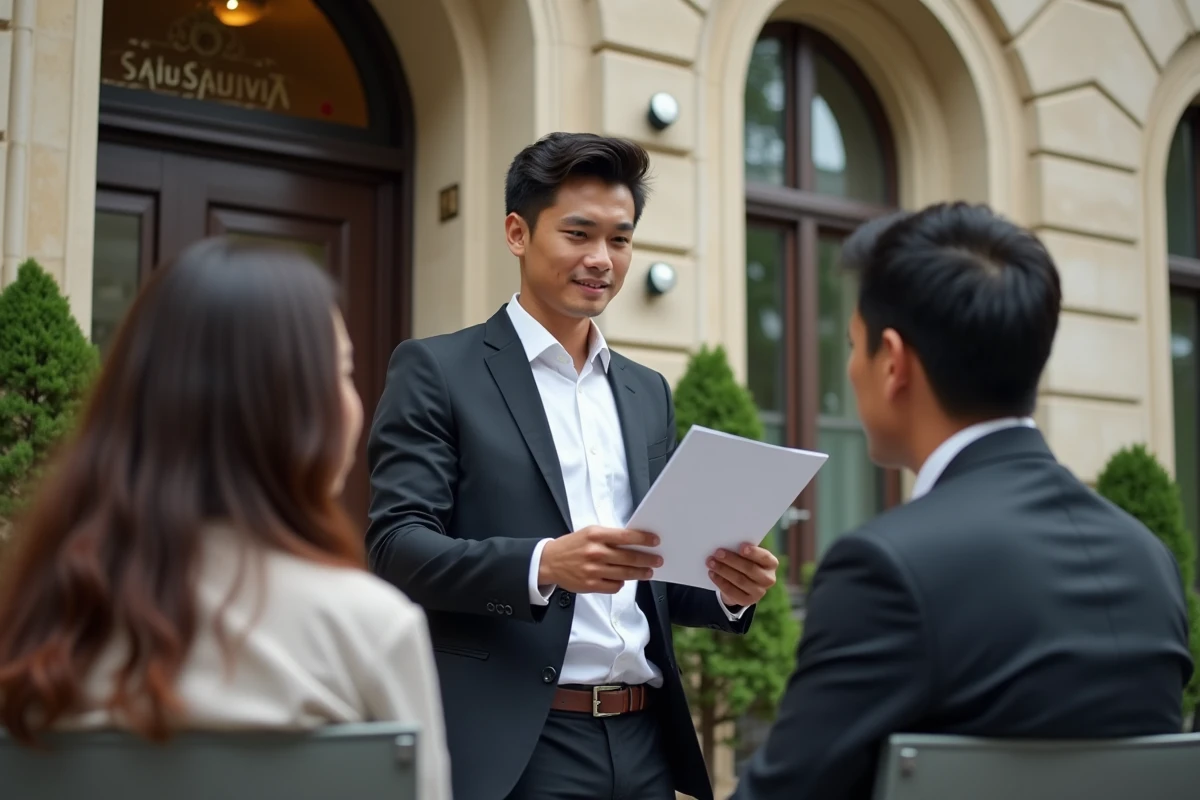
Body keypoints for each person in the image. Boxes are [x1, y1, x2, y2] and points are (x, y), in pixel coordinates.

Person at [730, 202, 1195, 800]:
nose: (849, 368)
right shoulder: (1150, 559)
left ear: (892, 362)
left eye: (852, 344)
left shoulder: (886, 568)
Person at [366, 131, 779, 800]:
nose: (602, 260)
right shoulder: (438, 371)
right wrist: (543, 565)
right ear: (517, 233)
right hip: (520, 746)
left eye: (620, 239)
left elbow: (655, 572)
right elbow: (395, 547)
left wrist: (729, 588)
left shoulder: (647, 391)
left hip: (644, 740)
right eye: (579, 234)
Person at [0, 238, 453, 800]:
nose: (354, 400)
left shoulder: (37, 617)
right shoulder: (369, 629)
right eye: (341, 372)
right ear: (293, 412)